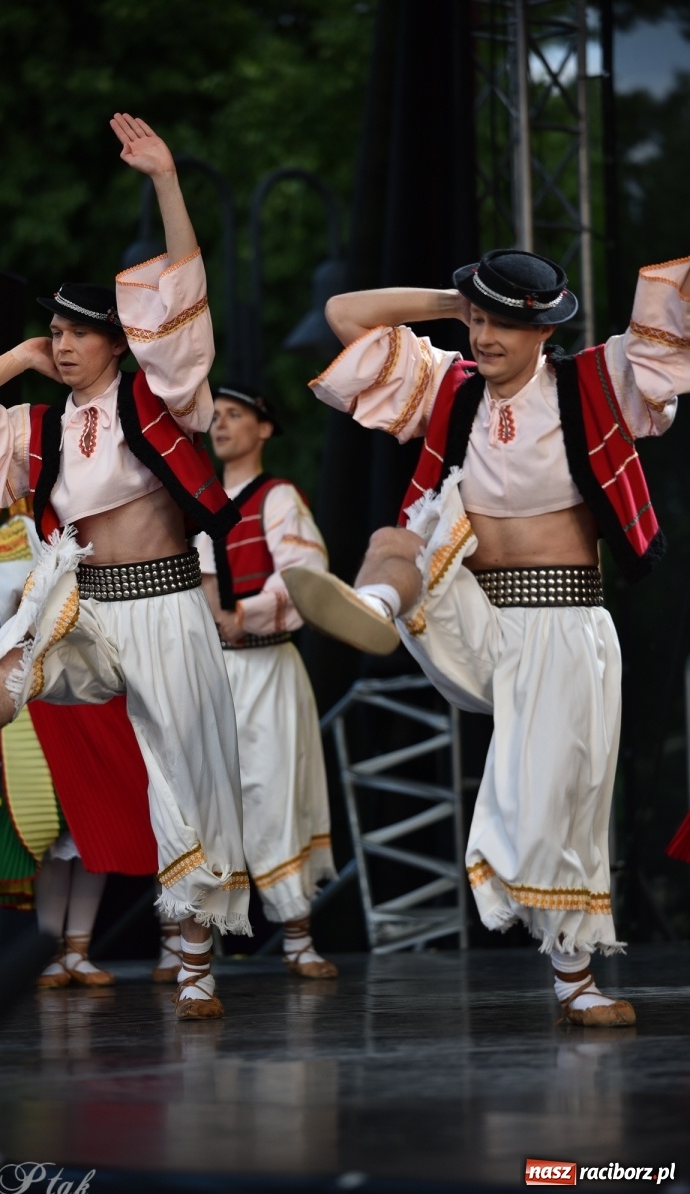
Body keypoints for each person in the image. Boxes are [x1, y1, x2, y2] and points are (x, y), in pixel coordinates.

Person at [0, 112, 252, 1021]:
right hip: (88, 602)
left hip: (167, 605)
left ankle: (198, 966)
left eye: (76, 332)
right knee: (26, 651)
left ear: (118, 343)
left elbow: (181, 295)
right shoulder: (41, 428)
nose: (61, 343)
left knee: (184, 776)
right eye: (53, 332)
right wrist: (13, 353)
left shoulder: (154, 392)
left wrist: (166, 181)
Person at [283, 248, 690, 1027]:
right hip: (470, 612)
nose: (484, 335)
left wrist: (491, 303)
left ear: (542, 329)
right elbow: (346, 317)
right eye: (478, 319)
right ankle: (371, 606)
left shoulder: (594, 381)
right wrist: (457, 299)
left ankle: (573, 980)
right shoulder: (448, 385)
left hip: (561, 624)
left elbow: (668, 332)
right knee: (403, 531)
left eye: (503, 321)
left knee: (551, 795)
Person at [158, 383, 337, 979]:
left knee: (273, 789)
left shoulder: (277, 497)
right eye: (219, 416)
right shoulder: (194, 502)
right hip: (208, 671)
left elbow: (307, 574)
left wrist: (245, 614)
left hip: (266, 665)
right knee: (197, 799)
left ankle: (297, 936)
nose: (223, 424)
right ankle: (184, 943)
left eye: (237, 415)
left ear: (264, 430)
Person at [0, 499, 158, 988]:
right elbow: (22, 604)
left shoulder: (95, 522)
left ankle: (78, 950)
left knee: (95, 824)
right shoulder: (14, 534)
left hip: (96, 688)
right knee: (51, 826)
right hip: (41, 685)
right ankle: (48, 950)